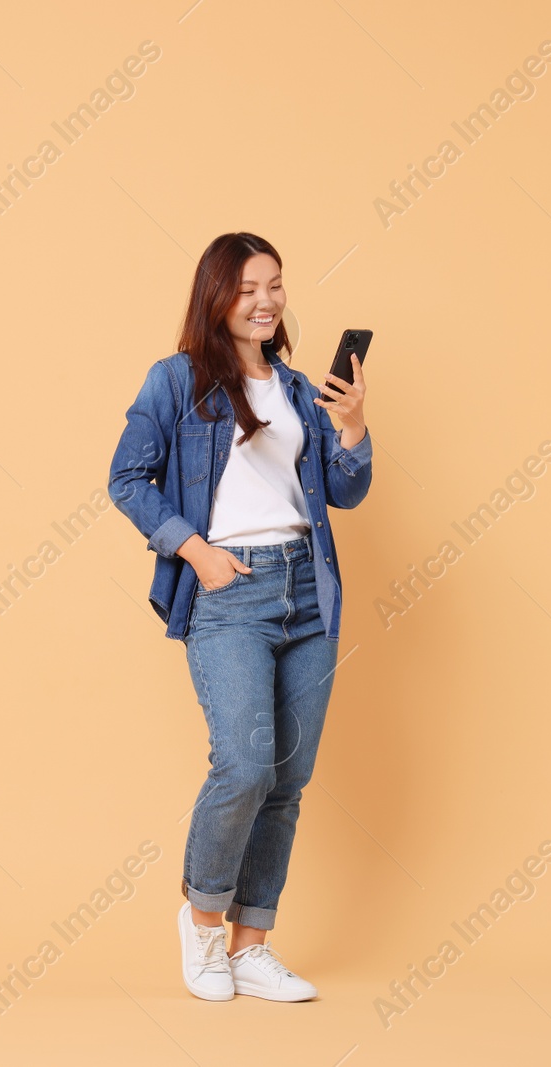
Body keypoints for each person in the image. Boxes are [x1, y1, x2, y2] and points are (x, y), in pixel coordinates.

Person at [107, 232, 374, 1001]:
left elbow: (342, 492)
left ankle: (253, 944)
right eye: (249, 287)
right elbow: (127, 478)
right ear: (216, 295)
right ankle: (202, 927)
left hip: (307, 588)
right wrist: (195, 549)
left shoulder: (294, 390)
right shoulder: (176, 381)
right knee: (246, 765)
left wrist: (351, 426)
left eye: (276, 286)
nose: (265, 301)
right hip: (232, 592)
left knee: (289, 779)